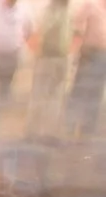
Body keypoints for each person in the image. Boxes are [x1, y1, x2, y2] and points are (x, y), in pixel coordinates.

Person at [34, 0, 75, 128]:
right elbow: (44, 30)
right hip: (48, 57)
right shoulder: (50, 11)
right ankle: (34, 131)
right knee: (41, 94)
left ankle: (49, 130)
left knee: (56, 96)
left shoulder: (68, 12)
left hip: (61, 58)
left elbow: (69, 34)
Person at [70, 0, 106, 134]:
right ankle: (71, 125)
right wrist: (79, 47)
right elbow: (77, 26)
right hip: (88, 55)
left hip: (103, 57)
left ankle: (88, 128)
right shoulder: (91, 5)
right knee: (80, 91)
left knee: (96, 94)